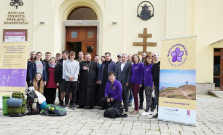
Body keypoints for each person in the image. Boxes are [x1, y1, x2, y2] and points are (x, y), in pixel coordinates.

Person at [151, 52, 161, 118]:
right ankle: (158, 113)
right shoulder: (154, 65)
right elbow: (153, 76)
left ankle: (162, 113)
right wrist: (153, 85)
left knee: (162, 100)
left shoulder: (162, 63)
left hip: (162, 85)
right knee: (157, 100)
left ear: (158, 55)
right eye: (153, 56)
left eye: (155, 55)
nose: (154, 57)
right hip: (156, 85)